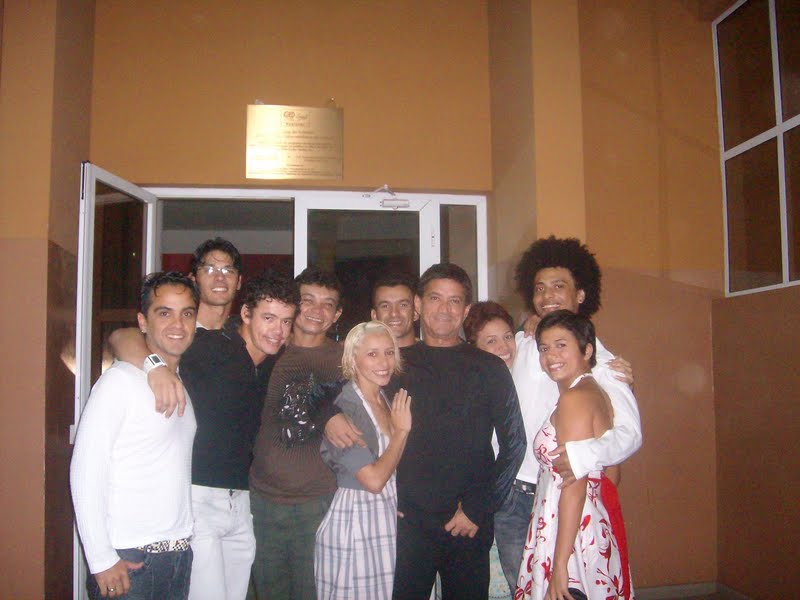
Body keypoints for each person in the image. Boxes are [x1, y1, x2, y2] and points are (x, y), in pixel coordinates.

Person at [496, 237, 641, 590]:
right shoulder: (524, 343)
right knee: (526, 587)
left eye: (559, 286)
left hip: (567, 497)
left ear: (581, 295)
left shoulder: (604, 365)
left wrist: (582, 456)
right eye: (539, 288)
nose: (547, 296)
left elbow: (629, 435)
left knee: (565, 587)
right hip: (512, 497)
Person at [391, 263, 526, 600]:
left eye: (455, 301)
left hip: (467, 521)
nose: (444, 308)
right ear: (419, 304)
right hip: (408, 522)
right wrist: (385, 497)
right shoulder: (394, 364)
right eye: (435, 298)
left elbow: (514, 444)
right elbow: (363, 424)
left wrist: (479, 508)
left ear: (465, 310)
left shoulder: (489, 368)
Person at [71, 272, 199, 599]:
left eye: (186, 313)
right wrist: (101, 558)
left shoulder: (179, 384)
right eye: (164, 312)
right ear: (143, 322)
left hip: (177, 555)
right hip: (130, 560)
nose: (178, 324)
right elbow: (85, 471)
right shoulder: (120, 383)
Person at [179, 272, 297, 600]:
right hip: (198, 498)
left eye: (286, 321)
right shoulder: (210, 346)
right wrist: (156, 366)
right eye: (269, 318)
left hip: (241, 502)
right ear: (246, 313)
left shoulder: (272, 365)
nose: (278, 330)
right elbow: (130, 337)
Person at [515, 311, 633, 600]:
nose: (551, 356)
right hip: (578, 523)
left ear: (587, 350)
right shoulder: (590, 390)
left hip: (571, 534)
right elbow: (609, 471)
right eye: (544, 348)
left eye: (561, 345)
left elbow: (574, 486)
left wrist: (559, 566)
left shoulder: (575, 399)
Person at [248, 267, 345, 600]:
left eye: (327, 304)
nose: (317, 310)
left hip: (318, 502)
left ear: (337, 314)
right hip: (262, 501)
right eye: (308, 300)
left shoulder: (348, 358)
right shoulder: (267, 348)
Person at [314, 321, 412, 599]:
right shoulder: (346, 408)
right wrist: (401, 432)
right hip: (353, 521)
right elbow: (373, 479)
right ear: (352, 359)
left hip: (383, 517)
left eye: (389, 352)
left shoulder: (385, 398)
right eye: (372, 354)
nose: (384, 362)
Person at [108, 237, 243, 417]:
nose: (219, 278)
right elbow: (120, 337)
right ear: (193, 279)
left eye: (228, 270)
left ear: (239, 281)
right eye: (209, 269)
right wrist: (155, 368)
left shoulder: (239, 333)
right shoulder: (177, 335)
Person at [463, 301, 519, 600]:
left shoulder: (531, 369)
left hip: (530, 494)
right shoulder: (470, 386)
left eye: (508, 336)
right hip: (487, 497)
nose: (504, 347)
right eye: (491, 341)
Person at [370, 273, 419, 348]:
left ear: (415, 313)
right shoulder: (360, 354)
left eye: (403, 305)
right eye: (385, 306)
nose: (394, 313)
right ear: (374, 316)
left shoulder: (432, 354)